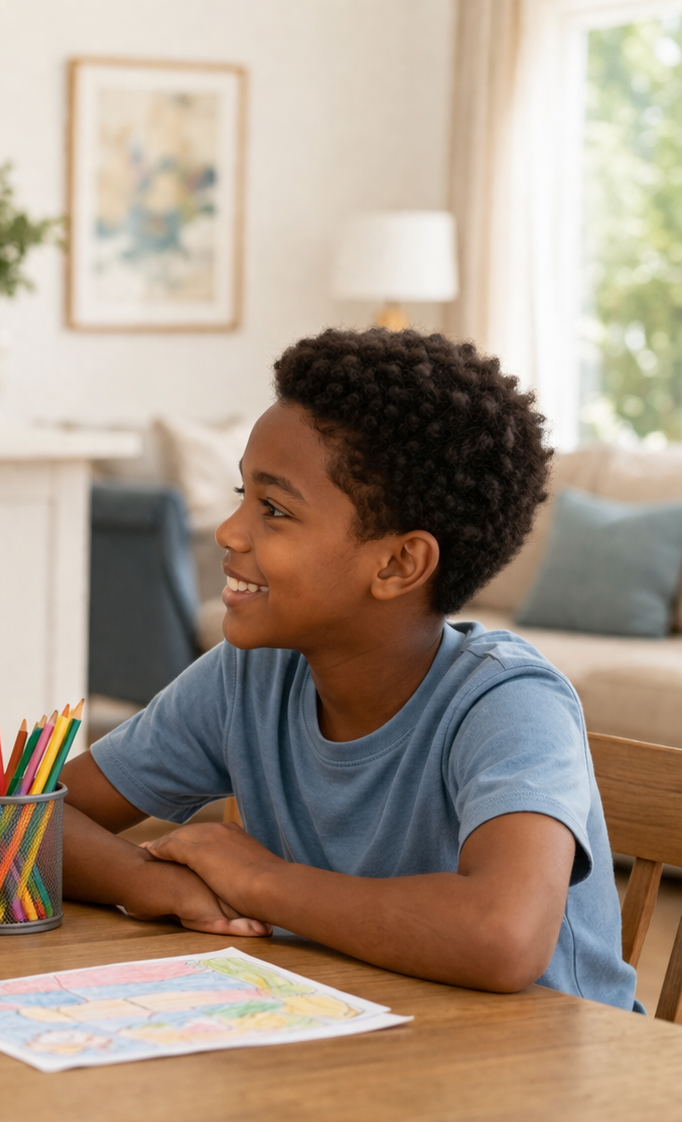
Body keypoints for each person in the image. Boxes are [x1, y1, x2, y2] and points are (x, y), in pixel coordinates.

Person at [59, 328, 639, 1011]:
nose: (229, 530)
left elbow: (503, 935)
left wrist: (262, 882)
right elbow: (18, 820)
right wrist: (142, 879)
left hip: (552, 1079)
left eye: (273, 509)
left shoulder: (508, 704)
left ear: (397, 564)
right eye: (242, 493)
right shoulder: (250, 677)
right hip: (359, 1038)